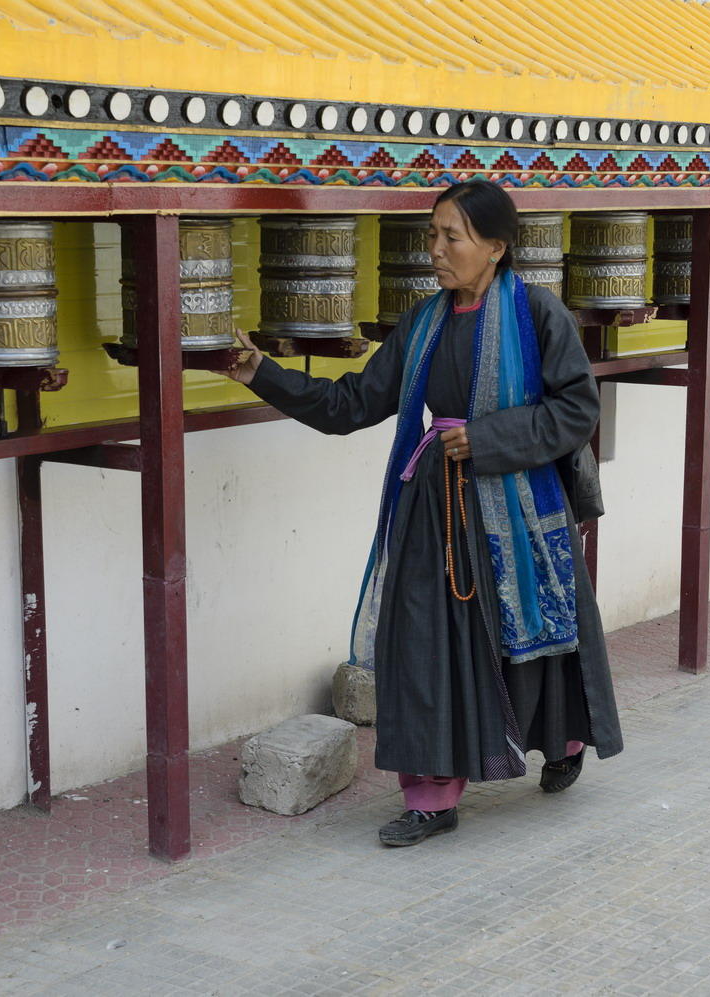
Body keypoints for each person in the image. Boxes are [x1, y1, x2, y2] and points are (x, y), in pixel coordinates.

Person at [230, 180, 622, 846]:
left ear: (496, 247)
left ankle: (561, 741)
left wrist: (489, 439)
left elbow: (577, 409)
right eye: (432, 235)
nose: (436, 250)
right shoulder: (421, 323)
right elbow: (351, 404)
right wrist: (262, 372)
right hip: (430, 512)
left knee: (532, 645)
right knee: (418, 648)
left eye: (452, 236)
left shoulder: (539, 314)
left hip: (518, 512)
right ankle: (431, 798)